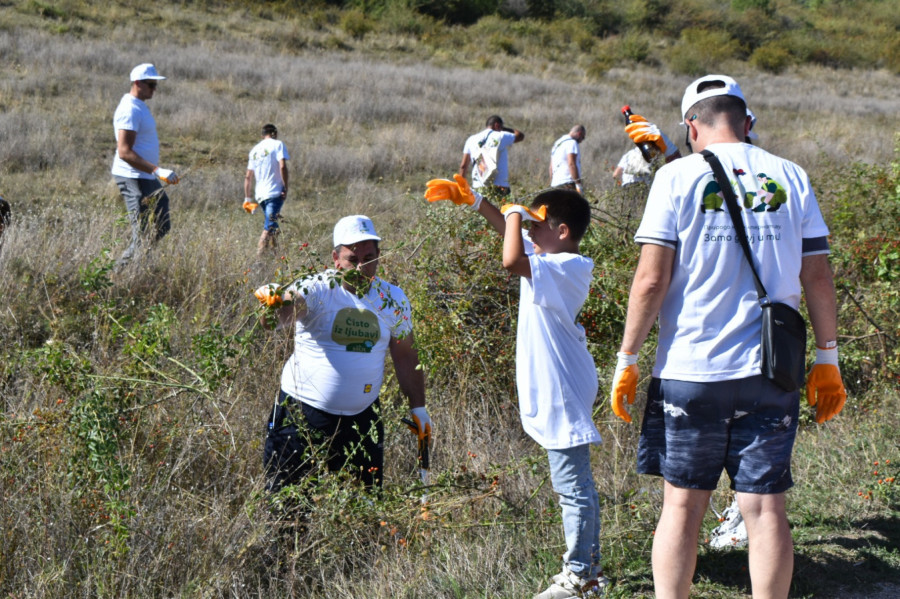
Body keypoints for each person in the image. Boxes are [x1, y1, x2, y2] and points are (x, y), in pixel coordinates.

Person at [609, 74, 847, 599]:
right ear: (747, 121)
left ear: (691, 126)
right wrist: (827, 359)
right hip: (772, 372)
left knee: (681, 506)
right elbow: (818, 276)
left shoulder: (674, 178)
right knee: (765, 509)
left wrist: (627, 358)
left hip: (690, 371)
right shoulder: (791, 175)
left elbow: (650, 280)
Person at [425, 176, 607, 598]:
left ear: (563, 231)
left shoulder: (567, 266)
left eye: (536, 225)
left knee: (574, 488)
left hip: (563, 390)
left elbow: (510, 260)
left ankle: (582, 576)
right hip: (558, 385)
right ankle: (589, 571)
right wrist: (477, 202)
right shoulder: (549, 258)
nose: (529, 231)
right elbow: (513, 242)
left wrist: (512, 213)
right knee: (574, 485)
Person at [255, 215, 430, 492]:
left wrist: (418, 409)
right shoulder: (316, 288)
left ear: (379, 256)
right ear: (336, 259)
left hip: (363, 419)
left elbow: (406, 355)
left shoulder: (392, 299)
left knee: (365, 503)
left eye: (369, 258)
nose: (361, 267)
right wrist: (274, 303)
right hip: (302, 415)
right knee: (288, 504)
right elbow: (282, 315)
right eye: (352, 259)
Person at [111, 63, 179, 269]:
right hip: (132, 176)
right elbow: (124, 151)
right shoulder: (129, 109)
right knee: (141, 233)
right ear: (137, 83)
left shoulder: (140, 106)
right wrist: (157, 170)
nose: (154, 89)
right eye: (151, 84)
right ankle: (117, 273)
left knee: (162, 223)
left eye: (155, 85)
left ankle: (140, 265)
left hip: (145, 176)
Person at [244, 123, 290, 256]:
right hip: (274, 192)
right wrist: (285, 187)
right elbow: (282, 166)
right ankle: (258, 259)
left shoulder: (254, 150)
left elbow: (248, 176)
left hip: (260, 195)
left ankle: (276, 256)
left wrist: (247, 199)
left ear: (262, 135)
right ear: (275, 133)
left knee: (273, 225)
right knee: (269, 227)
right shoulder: (278, 144)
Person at [459, 115, 524, 197]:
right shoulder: (501, 136)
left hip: (478, 186)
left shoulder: (471, 140)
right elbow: (520, 136)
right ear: (497, 125)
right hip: (500, 186)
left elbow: (463, 166)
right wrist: (504, 129)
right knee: (503, 206)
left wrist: (461, 188)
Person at [549, 125, 586, 194]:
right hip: (568, 184)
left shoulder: (557, 144)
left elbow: (551, 167)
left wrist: (552, 182)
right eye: (583, 137)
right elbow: (571, 164)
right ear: (579, 134)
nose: (581, 141)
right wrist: (578, 184)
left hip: (555, 184)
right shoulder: (572, 142)